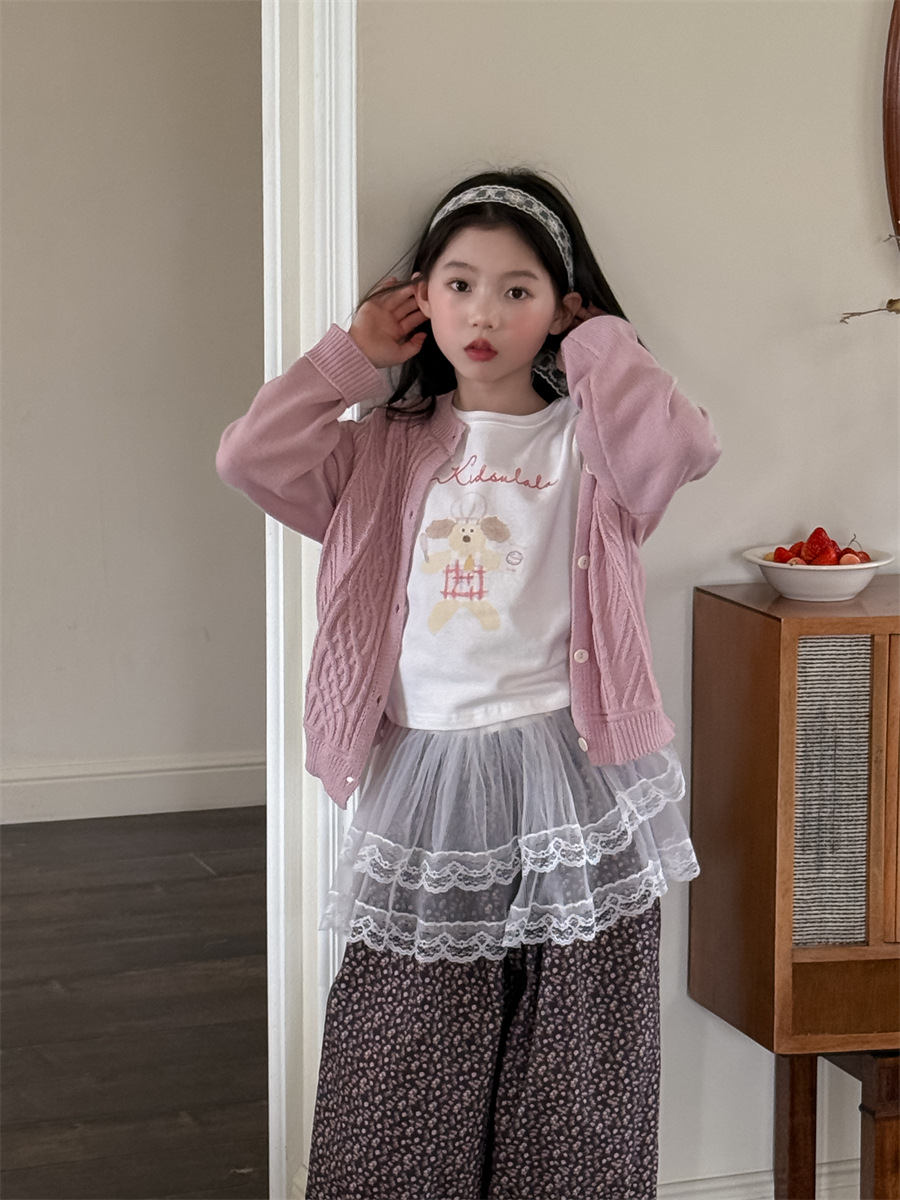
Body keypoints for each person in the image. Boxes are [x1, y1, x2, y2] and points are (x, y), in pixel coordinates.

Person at [217, 169, 721, 1200]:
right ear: (422, 300)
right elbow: (249, 457)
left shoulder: (590, 446)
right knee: (401, 1061)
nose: (484, 314)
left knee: (575, 1072)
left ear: (559, 307)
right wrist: (351, 357)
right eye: (458, 285)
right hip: (429, 785)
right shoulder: (380, 451)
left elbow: (685, 446)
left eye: (517, 291)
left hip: (578, 783)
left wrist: (599, 341)